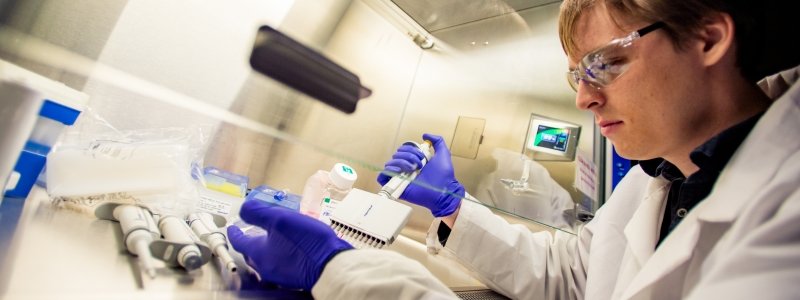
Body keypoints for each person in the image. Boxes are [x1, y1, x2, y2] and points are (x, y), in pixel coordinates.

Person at [226, 0, 800, 299]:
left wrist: (342, 271)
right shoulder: (661, 179)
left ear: (708, 37)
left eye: (603, 64)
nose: (583, 98)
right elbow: (573, 277)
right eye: (576, 73)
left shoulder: (787, 203)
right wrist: (452, 205)